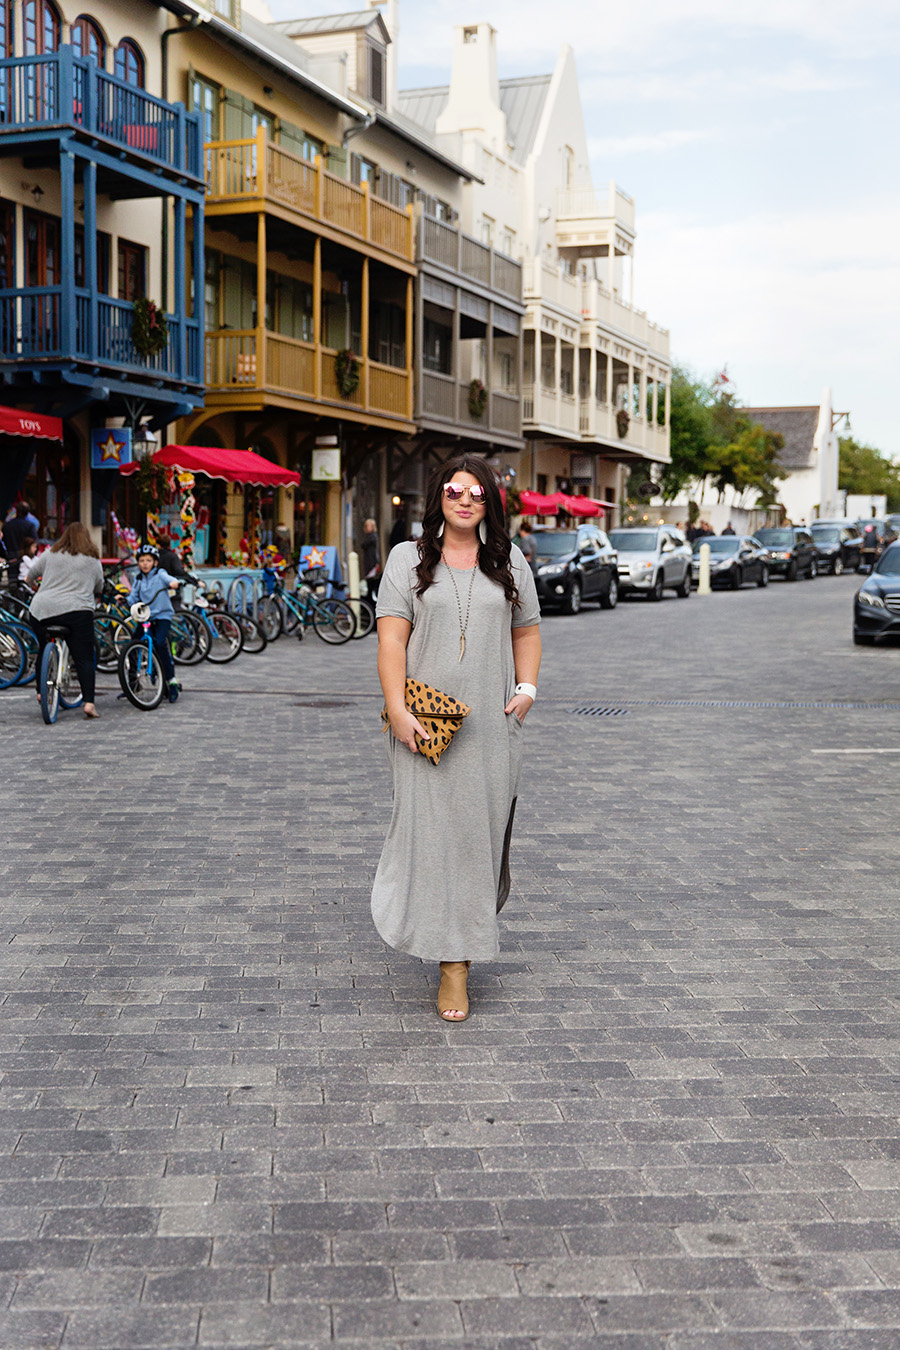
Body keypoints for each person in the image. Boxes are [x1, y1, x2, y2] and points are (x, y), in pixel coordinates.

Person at [373, 453, 542, 1023]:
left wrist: (527, 688)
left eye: (475, 492)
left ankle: (457, 965)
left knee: (476, 843)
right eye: (453, 490)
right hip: (424, 727)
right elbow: (391, 642)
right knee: (428, 838)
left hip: (492, 731)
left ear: (490, 500)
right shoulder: (407, 559)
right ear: (438, 497)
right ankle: (444, 950)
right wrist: (397, 709)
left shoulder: (511, 561)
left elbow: (529, 631)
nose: (464, 500)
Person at [27, 522, 104, 720]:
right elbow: (99, 586)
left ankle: (40, 691)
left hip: (42, 609)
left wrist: (39, 589)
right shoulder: (92, 560)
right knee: (84, 658)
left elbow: (30, 577)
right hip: (77, 610)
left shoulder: (50, 553)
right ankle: (88, 703)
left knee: (44, 647)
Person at [126, 543, 181, 703]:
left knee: (159, 642)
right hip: (145, 617)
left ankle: (171, 682)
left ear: (155, 562)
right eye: (141, 560)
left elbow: (170, 580)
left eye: (148, 560)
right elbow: (133, 598)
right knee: (133, 646)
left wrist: (174, 583)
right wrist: (124, 598)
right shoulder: (138, 580)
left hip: (162, 616)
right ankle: (131, 684)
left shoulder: (160, 574)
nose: (144, 563)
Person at [4, 503, 37, 574]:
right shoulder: (30, 526)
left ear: (16, 511)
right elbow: (34, 541)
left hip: (11, 557)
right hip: (25, 559)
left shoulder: (7, 526)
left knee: (12, 581)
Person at [360, 518, 381, 600]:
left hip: (371, 563)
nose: (367, 528)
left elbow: (364, 545)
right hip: (370, 562)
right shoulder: (370, 536)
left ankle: (370, 601)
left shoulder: (372, 537)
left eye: (368, 526)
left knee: (370, 583)